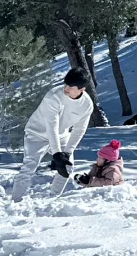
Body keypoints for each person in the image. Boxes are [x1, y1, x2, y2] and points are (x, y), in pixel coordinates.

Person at [11, 69, 94, 202]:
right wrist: (56, 154)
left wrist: (67, 152)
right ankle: (16, 201)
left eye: (70, 87)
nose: (66, 89)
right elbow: (52, 126)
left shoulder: (87, 105)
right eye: (65, 84)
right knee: (29, 166)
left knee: (67, 166)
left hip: (61, 135)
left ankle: (53, 198)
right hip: (36, 133)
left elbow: (79, 130)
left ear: (82, 89)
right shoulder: (54, 96)